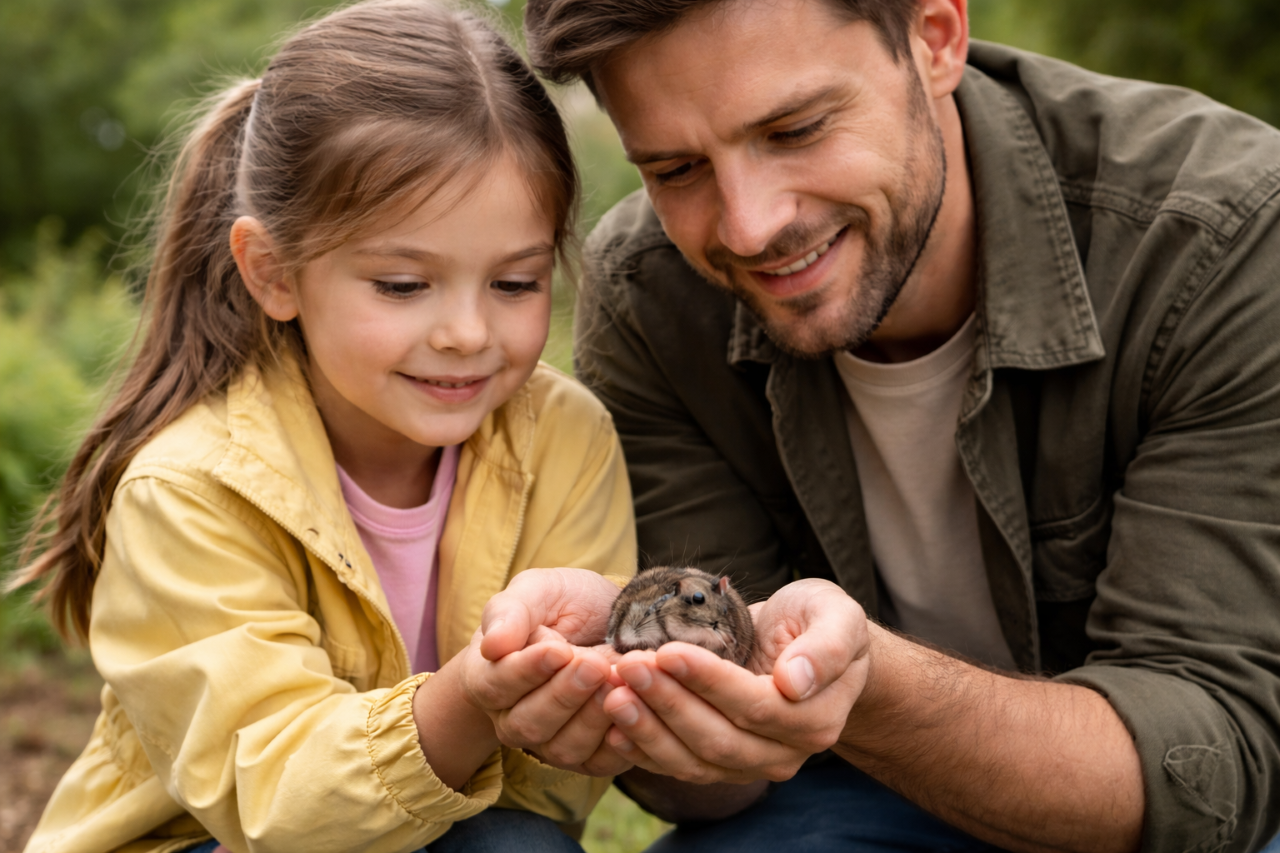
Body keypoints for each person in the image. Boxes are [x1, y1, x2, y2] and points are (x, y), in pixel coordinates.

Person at [481, 0, 1280, 850]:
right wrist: (632, 682)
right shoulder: (651, 289)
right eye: (677, 169)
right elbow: (721, 791)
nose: (750, 225)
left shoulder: (1221, 238)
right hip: (860, 789)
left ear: (936, 37)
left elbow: (1207, 772)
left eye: (794, 129)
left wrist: (861, 679)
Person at [12, 2, 637, 852]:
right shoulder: (190, 487)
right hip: (199, 842)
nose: (468, 333)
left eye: (516, 283)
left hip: (462, 831)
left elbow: (553, 789)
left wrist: (605, 645)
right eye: (404, 286)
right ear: (274, 273)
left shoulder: (565, 437)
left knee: (516, 843)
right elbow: (274, 800)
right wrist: (470, 697)